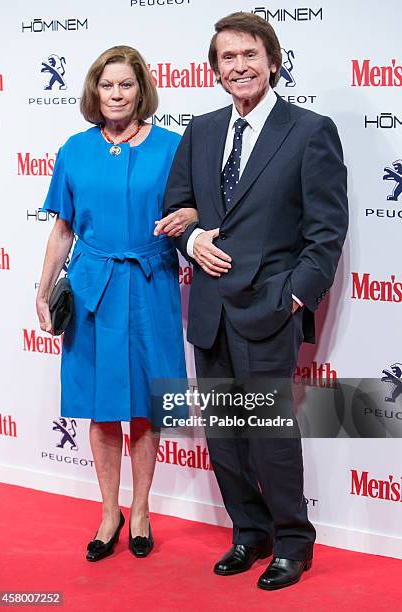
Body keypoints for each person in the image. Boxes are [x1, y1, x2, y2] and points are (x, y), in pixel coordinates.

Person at [161, 13, 348, 590]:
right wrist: (193, 240)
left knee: (270, 438)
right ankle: (250, 532)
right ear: (214, 68)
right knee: (224, 439)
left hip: (269, 311)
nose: (238, 66)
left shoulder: (310, 130)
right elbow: (177, 206)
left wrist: (293, 297)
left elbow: (326, 233)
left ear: (272, 60)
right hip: (211, 312)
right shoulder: (202, 130)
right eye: (227, 57)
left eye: (249, 54)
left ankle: (294, 541)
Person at [36, 46, 197, 562]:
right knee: (102, 408)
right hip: (91, 288)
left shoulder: (173, 146)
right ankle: (110, 513)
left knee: (147, 407)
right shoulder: (75, 149)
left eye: (126, 85)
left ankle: (143, 509)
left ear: (141, 89)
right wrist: (42, 289)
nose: (116, 94)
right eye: (108, 85)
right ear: (94, 90)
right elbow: (62, 227)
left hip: (152, 284)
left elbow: (194, 207)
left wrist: (189, 213)